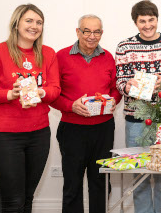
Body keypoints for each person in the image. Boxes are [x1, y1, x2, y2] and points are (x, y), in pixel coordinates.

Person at [0, 4, 61, 212]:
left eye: (39, 22)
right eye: (29, 21)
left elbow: (55, 90)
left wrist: (41, 92)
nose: (34, 26)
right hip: (5, 137)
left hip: (38, 135)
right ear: (16, 23)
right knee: (12, 201)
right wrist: (8, 94)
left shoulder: (48, 54)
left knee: (28, 198)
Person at [115, 0, 161, 213]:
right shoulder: (124, 47)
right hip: (136, 120)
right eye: (142, 21)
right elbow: (119, 82)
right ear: (135, 23)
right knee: (140, 174)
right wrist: (127, 86)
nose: (147, 25)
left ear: (157, 18)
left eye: (151, 20)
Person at [51, 14, 122, 213]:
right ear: (77, 32)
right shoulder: (61, 57)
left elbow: (116, 88)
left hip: (103, 129)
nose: (92, 36)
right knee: (72, 183)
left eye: (96, 31)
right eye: (87, 31)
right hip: (72, 129)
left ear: (102, 33)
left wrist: (112, 101)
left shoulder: (108, 57)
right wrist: (70, 106)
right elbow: (52, 94)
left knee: (100, 181)